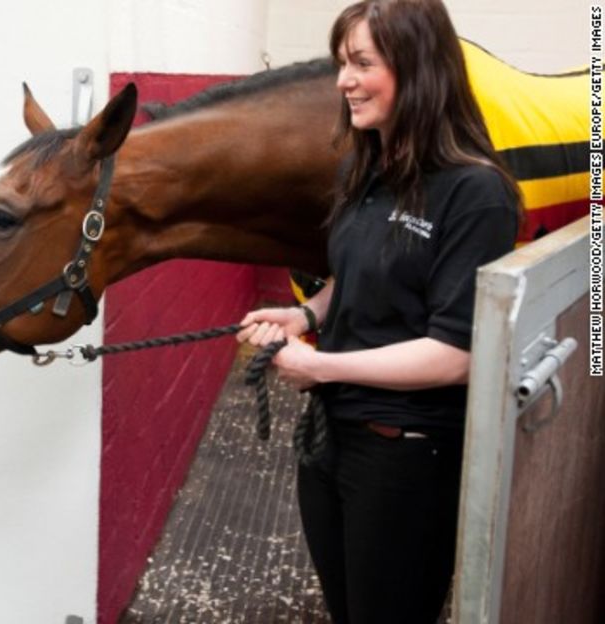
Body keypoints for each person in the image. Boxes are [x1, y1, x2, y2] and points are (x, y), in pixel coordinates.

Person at [236, 1, 520, 622]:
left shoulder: (477, 193)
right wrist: (307, 316)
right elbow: (363, 270)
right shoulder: (367, 168)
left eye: (361, 63)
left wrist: (322, 367)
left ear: (419, 69)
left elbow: (456, 355)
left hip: (405, 457)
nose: (344, 81)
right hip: (331, 438)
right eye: (343, 63)